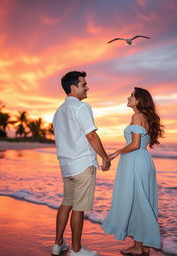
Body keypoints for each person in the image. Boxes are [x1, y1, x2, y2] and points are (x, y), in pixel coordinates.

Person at [51, 71, 110, 256]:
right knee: (78, 208)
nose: (87, 88)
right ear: (73, 88)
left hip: (66, 166)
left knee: (66, 203)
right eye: (84, 84)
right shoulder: (81, 107)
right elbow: (91, 135)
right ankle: (76, 250)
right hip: (83, 165)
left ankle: (58, 244)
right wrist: (105, 157)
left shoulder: (58, 112)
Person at [102, 87, 164, 255]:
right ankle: (142, 246)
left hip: (135, 161)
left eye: (132, 96)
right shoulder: (146, 118)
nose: (128, 97)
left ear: (139, 100)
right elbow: (139, 144)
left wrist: (113, 154)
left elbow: (135, 144)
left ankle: (140, 246)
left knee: (137, 201)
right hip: (143, 160)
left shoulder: (137, 116)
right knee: (141, 201)